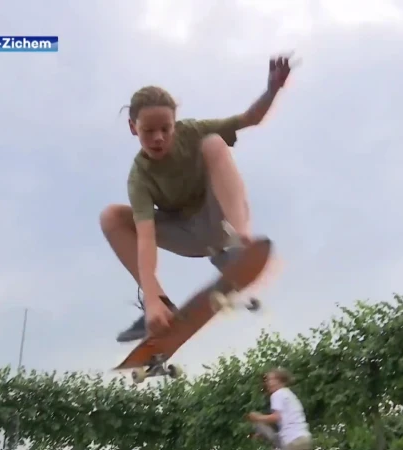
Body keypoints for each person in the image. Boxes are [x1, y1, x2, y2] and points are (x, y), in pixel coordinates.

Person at [101, 55, 295, 342]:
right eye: (148, 131)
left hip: (218, 220)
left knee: (215, 142)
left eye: (165, 129)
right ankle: (159, 305)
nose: (158, 138)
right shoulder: (139, 177)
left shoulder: (191, 131)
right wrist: (151, 297)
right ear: (133, 128)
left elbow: (249, 119)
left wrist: (272, 89)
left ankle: (238, 243)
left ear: (175, 124)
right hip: (186, 235)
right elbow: (145, 238)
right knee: (111, 217)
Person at [248, 368, 312, 450]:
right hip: (303, 438)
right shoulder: (289, 394)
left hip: (293, 440)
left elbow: (276, 417)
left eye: (270, 380)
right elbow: (284, 421)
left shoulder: (277, 394)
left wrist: (258, 418)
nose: (267, 383)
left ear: (279, 380)